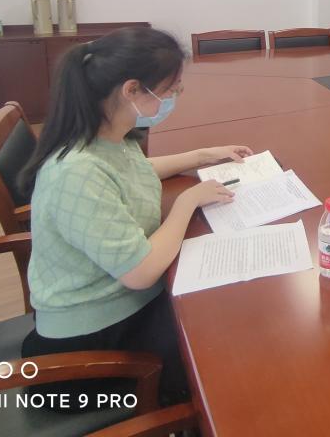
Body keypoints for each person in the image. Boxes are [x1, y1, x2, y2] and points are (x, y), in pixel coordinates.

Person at [18, 27, 250, 407]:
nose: (174, 98)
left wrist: (202, 156)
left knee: (226, 314)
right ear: (131, 90)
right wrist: (187, 202)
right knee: (227, 354)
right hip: (89, 353)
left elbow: (132, 172)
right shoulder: (75, 172)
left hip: (121, 310)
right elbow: (140, 272)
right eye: (169, 90)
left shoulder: (106, 134)